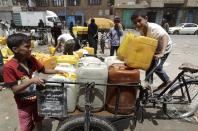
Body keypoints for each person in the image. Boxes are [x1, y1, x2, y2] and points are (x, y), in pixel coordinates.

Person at [2, 33, 61, 131]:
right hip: (23, 104)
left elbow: (43, 70)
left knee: (38, 119)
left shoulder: (31, 59)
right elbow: (15, 89)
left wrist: (59, 71)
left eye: (30, 46)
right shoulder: (9, 67)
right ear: (15, 49)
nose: (30, 49)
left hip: (37, 99)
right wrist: (32, 81)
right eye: (27, 47)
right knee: (25, 125)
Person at [131, 11, 172, 91]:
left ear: (146, 18)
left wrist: (162, 53)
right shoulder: (141, 30)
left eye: (139, 21)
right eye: (135, 23)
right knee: (148, 67)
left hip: (165, 48)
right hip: (155, 49)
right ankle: (148, 86)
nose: (137, 24)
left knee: (157, 67)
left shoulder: (153, 28)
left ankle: (167, 81)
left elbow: (165, 37)